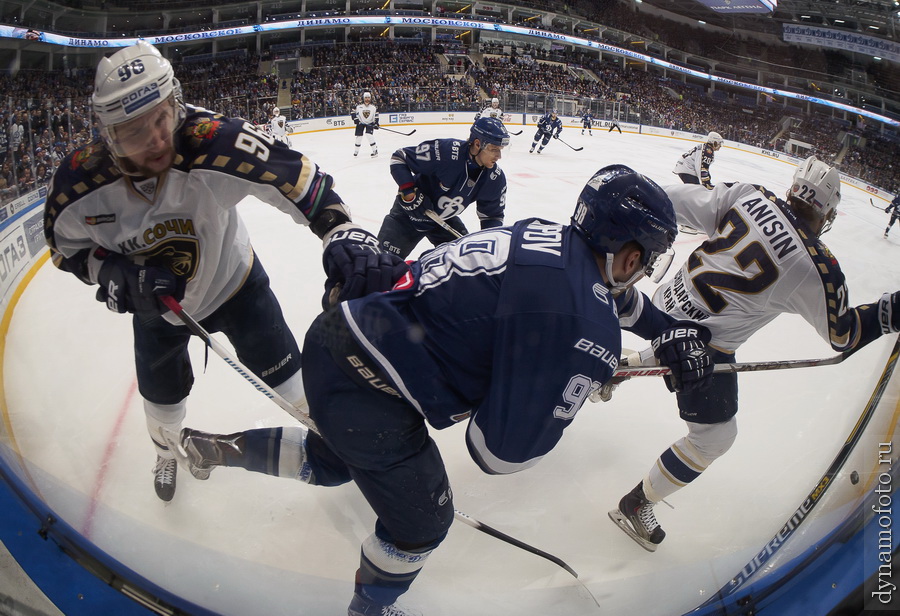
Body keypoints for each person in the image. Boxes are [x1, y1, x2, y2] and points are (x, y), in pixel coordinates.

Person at [175, 164, 715, 616]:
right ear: (629, 256)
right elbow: (495, 454)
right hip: (373, 383)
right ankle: (370, 612)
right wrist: (574, 377)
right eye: (646, 260)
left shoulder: (545, 236)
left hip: (344, 338)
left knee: (340, 459)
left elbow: (604, 301)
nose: (641, 275)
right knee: (422, 522)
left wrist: (667, 331)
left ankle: (217, 448)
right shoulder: (580, 321)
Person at [43, 41, 405, 502]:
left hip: (237, 287)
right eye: (135, 131)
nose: (156, 139)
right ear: (109, 135)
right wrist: (107, 269)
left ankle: (337, 440)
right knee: (163, 405)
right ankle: (167, 450)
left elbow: (303, 182)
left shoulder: (212, 138)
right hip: (157, 310)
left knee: (295, 387)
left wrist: (342, 233)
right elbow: (62, 248)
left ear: (176, 100)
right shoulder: (79, 180)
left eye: (162, 116)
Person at [609, 156, 900, 552]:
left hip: (661, 305)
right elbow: (844, 335)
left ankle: (615, 369)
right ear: (827, 212)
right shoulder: (815, 265)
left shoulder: (749, 195)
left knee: (675, 343)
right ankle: (635, 504)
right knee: (714, 439)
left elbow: (670, 200)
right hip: (698, 345)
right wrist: (890, 312)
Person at [376, 116, 509, 259]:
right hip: (409, 215)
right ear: (477, 144)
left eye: (500, 149)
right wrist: (409, 193)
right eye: (494, 149)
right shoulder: (446, 152)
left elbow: (492, 216)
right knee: (382, 266)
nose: (499, 156)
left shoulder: (495, 178)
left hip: (443, 220)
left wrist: (490, 247)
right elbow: (400, 158)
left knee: (466, 262)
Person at [351, 91, 379, 157]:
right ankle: (356, 151)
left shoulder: (374, 106)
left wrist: (376, 123)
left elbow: (376, 115)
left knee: (369, 135)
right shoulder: (358, 105)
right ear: (363, 98)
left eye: (368, 98)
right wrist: (355, 119)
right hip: (360, 123)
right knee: (359, 137)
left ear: (370, 98)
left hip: (370, 123)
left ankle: (375, 151)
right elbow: (352, 112)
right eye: (366, 97)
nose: (367, 99)